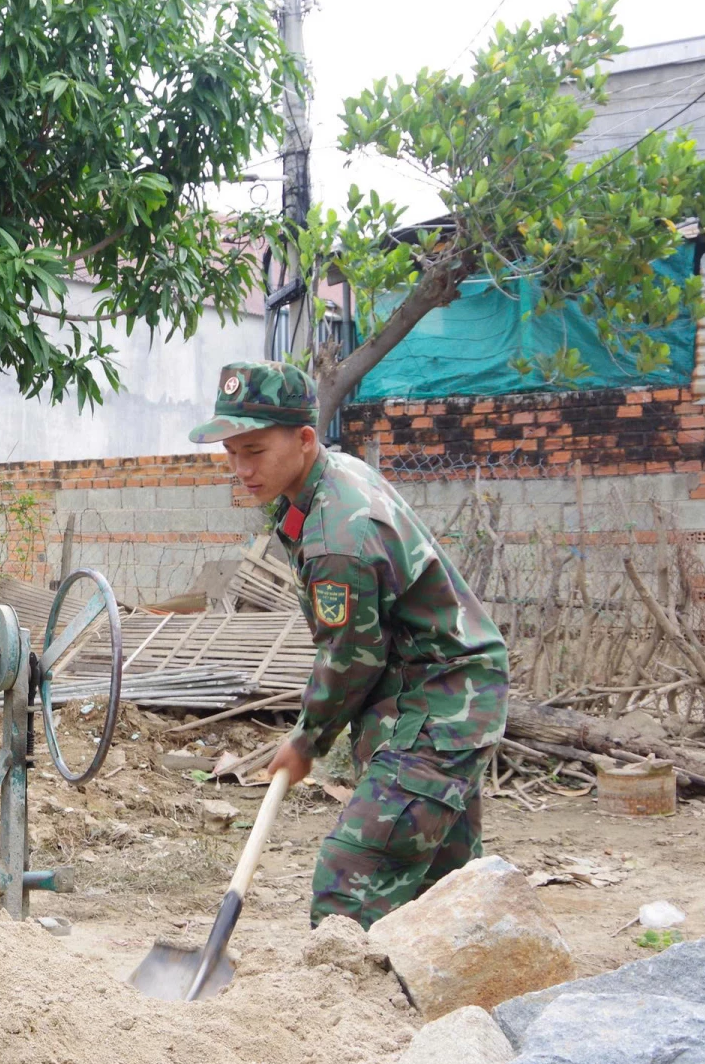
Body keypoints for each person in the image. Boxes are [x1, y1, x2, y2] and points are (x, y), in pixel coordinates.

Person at [188, 361, 509, 930]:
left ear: (304, 439)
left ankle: (343, 1007)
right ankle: (458, 995)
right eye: (231, 452)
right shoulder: (328, 480)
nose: (240, 468)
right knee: (448, 884)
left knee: (350, 878)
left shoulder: (340, 535)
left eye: (255, 451)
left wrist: (307, 740)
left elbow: (349, 658)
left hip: (441, 703)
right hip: (433, 689)